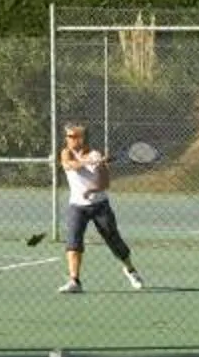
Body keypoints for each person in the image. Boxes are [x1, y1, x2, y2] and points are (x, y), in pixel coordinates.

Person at [56, 122, 145, 294]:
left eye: (72, 136)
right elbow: (68, 165)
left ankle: (130, 270)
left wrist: (91, 189)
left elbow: (105, 183)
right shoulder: (66, 152)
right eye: (67, 136)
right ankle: (74, 281)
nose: (68, 139)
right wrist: (88, 162)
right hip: (77, 207)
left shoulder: (96, 155)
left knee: (114, 241)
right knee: (73, 242)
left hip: (100, 206)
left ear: (81, 138)